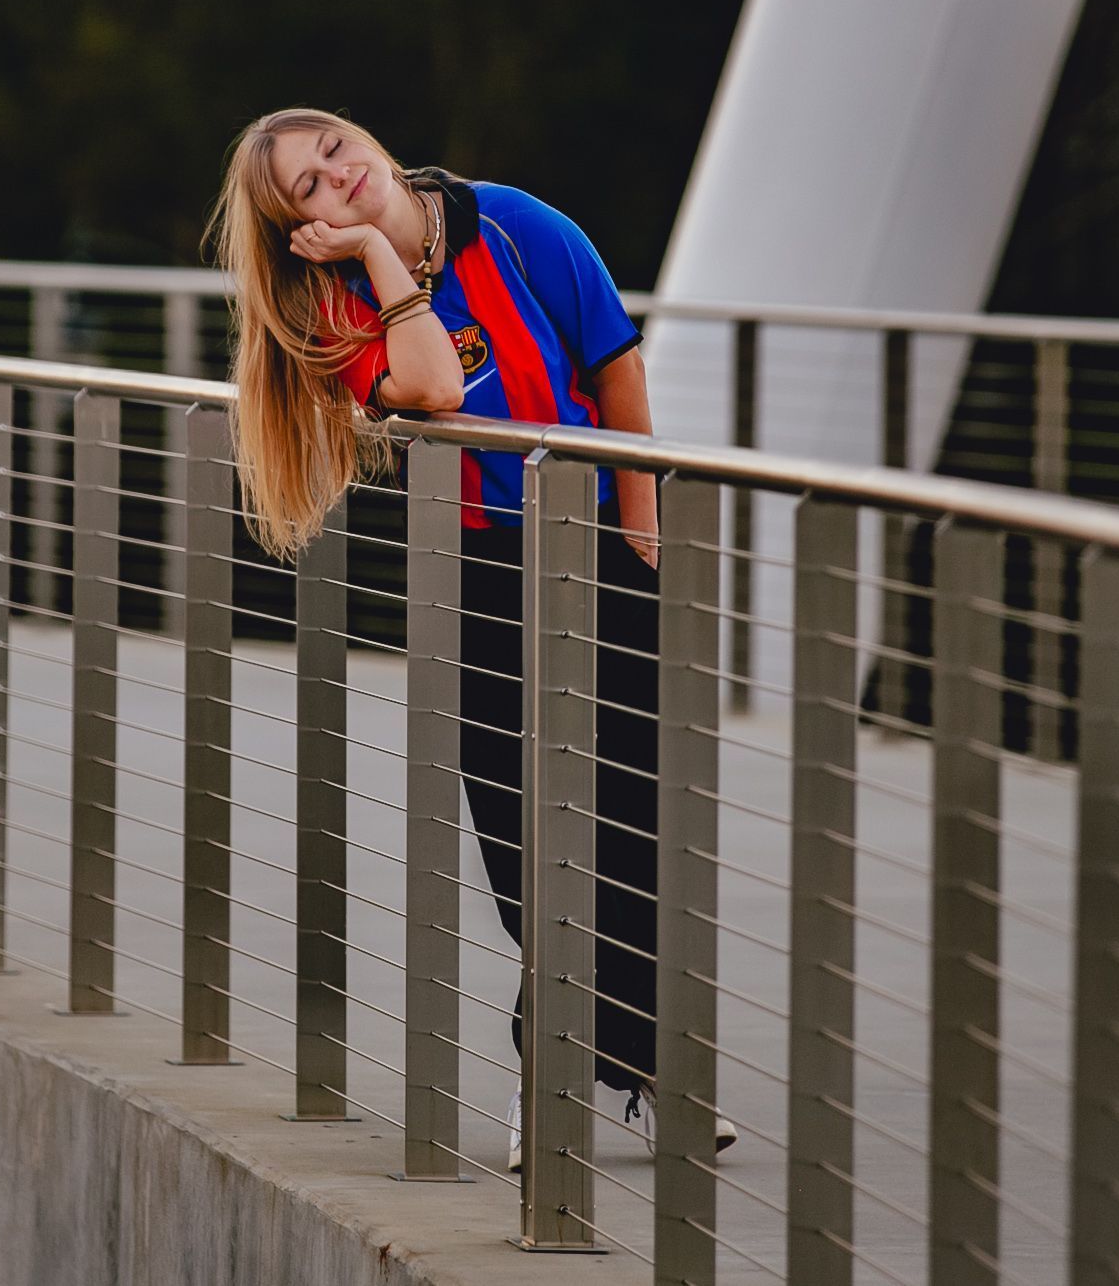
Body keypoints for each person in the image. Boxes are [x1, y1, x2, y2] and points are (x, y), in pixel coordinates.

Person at [208, 106, 734, 1169]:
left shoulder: (520, 228)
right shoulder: (330, 307)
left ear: (369, 138)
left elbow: (616, 367)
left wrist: (641, 520)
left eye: (337, 154)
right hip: (477, 572)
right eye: (307, 191)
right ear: (296, 231)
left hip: (601, 548)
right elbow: (435, 389)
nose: (337, 183)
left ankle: (604, 1065)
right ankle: (600, 1059)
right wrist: (374, 258)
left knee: (629, 817)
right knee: (521, 835)